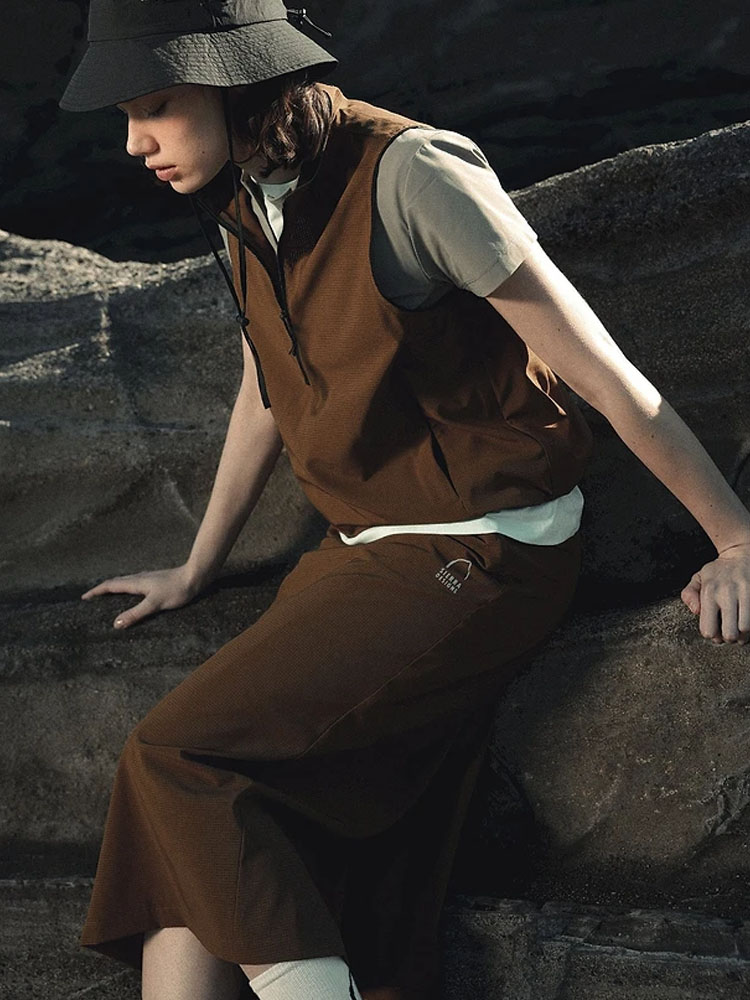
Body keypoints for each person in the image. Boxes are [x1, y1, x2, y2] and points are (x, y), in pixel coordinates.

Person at [59, 2, 750, 999]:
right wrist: (198, 566)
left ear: (235, 83)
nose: (134, 142)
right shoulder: (251, 192)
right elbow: (267, 383)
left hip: (482, 545)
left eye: (155, 105)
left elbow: (604, 376)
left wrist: (735, 539)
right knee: (185, 847)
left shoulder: (413, 174)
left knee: (174, 759)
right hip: (365, 551)